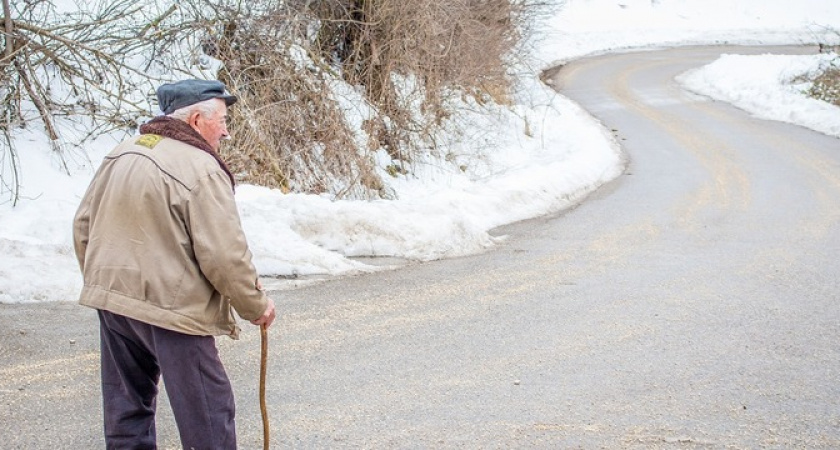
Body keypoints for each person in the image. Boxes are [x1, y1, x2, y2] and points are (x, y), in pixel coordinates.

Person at [73, 79, 276, 449]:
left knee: (127, 411)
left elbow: (83, 226)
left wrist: (104, 282)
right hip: (174, 310)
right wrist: (255, 305)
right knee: (208, 415)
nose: (226, 131)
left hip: (114, 304)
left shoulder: (121, 153)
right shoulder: (201, 167)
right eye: (222, 121)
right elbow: (224, 255)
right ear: (196, 120)